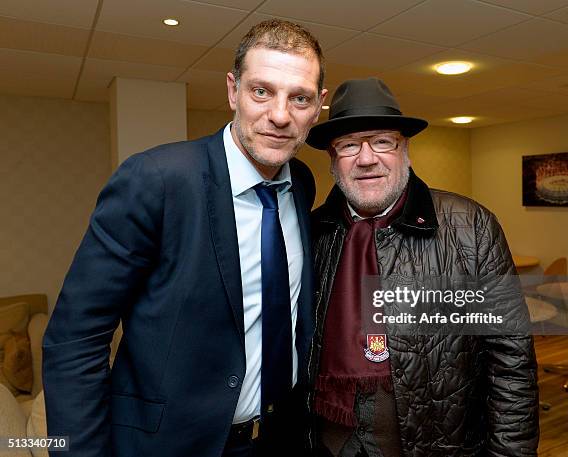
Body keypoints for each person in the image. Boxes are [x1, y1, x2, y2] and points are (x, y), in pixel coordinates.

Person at [42, 19, 328, 457]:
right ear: (233, 90)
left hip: (279, 440)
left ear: (318, 106)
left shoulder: (301, 184)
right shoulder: (156, 181)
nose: (280, 115)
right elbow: (75, 339)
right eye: (261, 91)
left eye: (300, 98)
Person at [304, 78, 539, 457]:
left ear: (405, 151)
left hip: (435, 446)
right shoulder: (311, 232)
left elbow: (511, 365)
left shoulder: (471, 227)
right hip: (329, 443)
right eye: (349, 145)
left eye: (382, 141)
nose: (366, 159)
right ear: (333, 160)